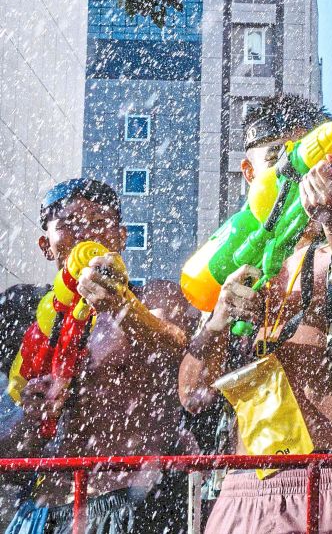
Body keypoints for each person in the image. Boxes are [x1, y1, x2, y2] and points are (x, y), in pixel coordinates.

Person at [179, 95, 332, 534]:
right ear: (249, 174)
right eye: (276, 162)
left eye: (305, 159)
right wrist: (218, 320)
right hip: (241, 489)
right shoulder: (229, 266)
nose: (294, 176)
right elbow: (192, 396)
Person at [3, 178, 194, 534]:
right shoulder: (36, 325)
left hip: (128, 501)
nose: (86, 234)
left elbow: (181, 350)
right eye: (69, 225)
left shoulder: (156, 296)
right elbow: (11, 445)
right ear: (47, 245)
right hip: (42, 513)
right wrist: (31, 415)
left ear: (121, 237)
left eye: (98, 222)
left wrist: (123, 309)